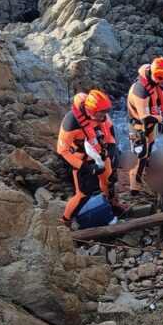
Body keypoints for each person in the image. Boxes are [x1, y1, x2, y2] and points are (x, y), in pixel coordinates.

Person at [56, 89, 127, 227]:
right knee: (83, 194)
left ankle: (113, 204)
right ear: (90, 111)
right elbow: (63, 151)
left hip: (100, 153)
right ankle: (66, 220)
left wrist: (112, 146)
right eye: (100, 115)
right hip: (81, 160)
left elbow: (109, 130)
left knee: (109, 181)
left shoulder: (102, 115)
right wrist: (87, 167)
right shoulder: (71, 123)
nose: (103, 117)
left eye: (105, 114)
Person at [126, 56, 163, 195]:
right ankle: (135, 188)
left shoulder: (154, 80)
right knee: (139, 157)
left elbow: (161, 100)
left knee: (150, 146)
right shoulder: (140, 92)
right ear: (158, 76)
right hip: (139, 128)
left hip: (150, 125)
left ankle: (146, 167)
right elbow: (145, 119)